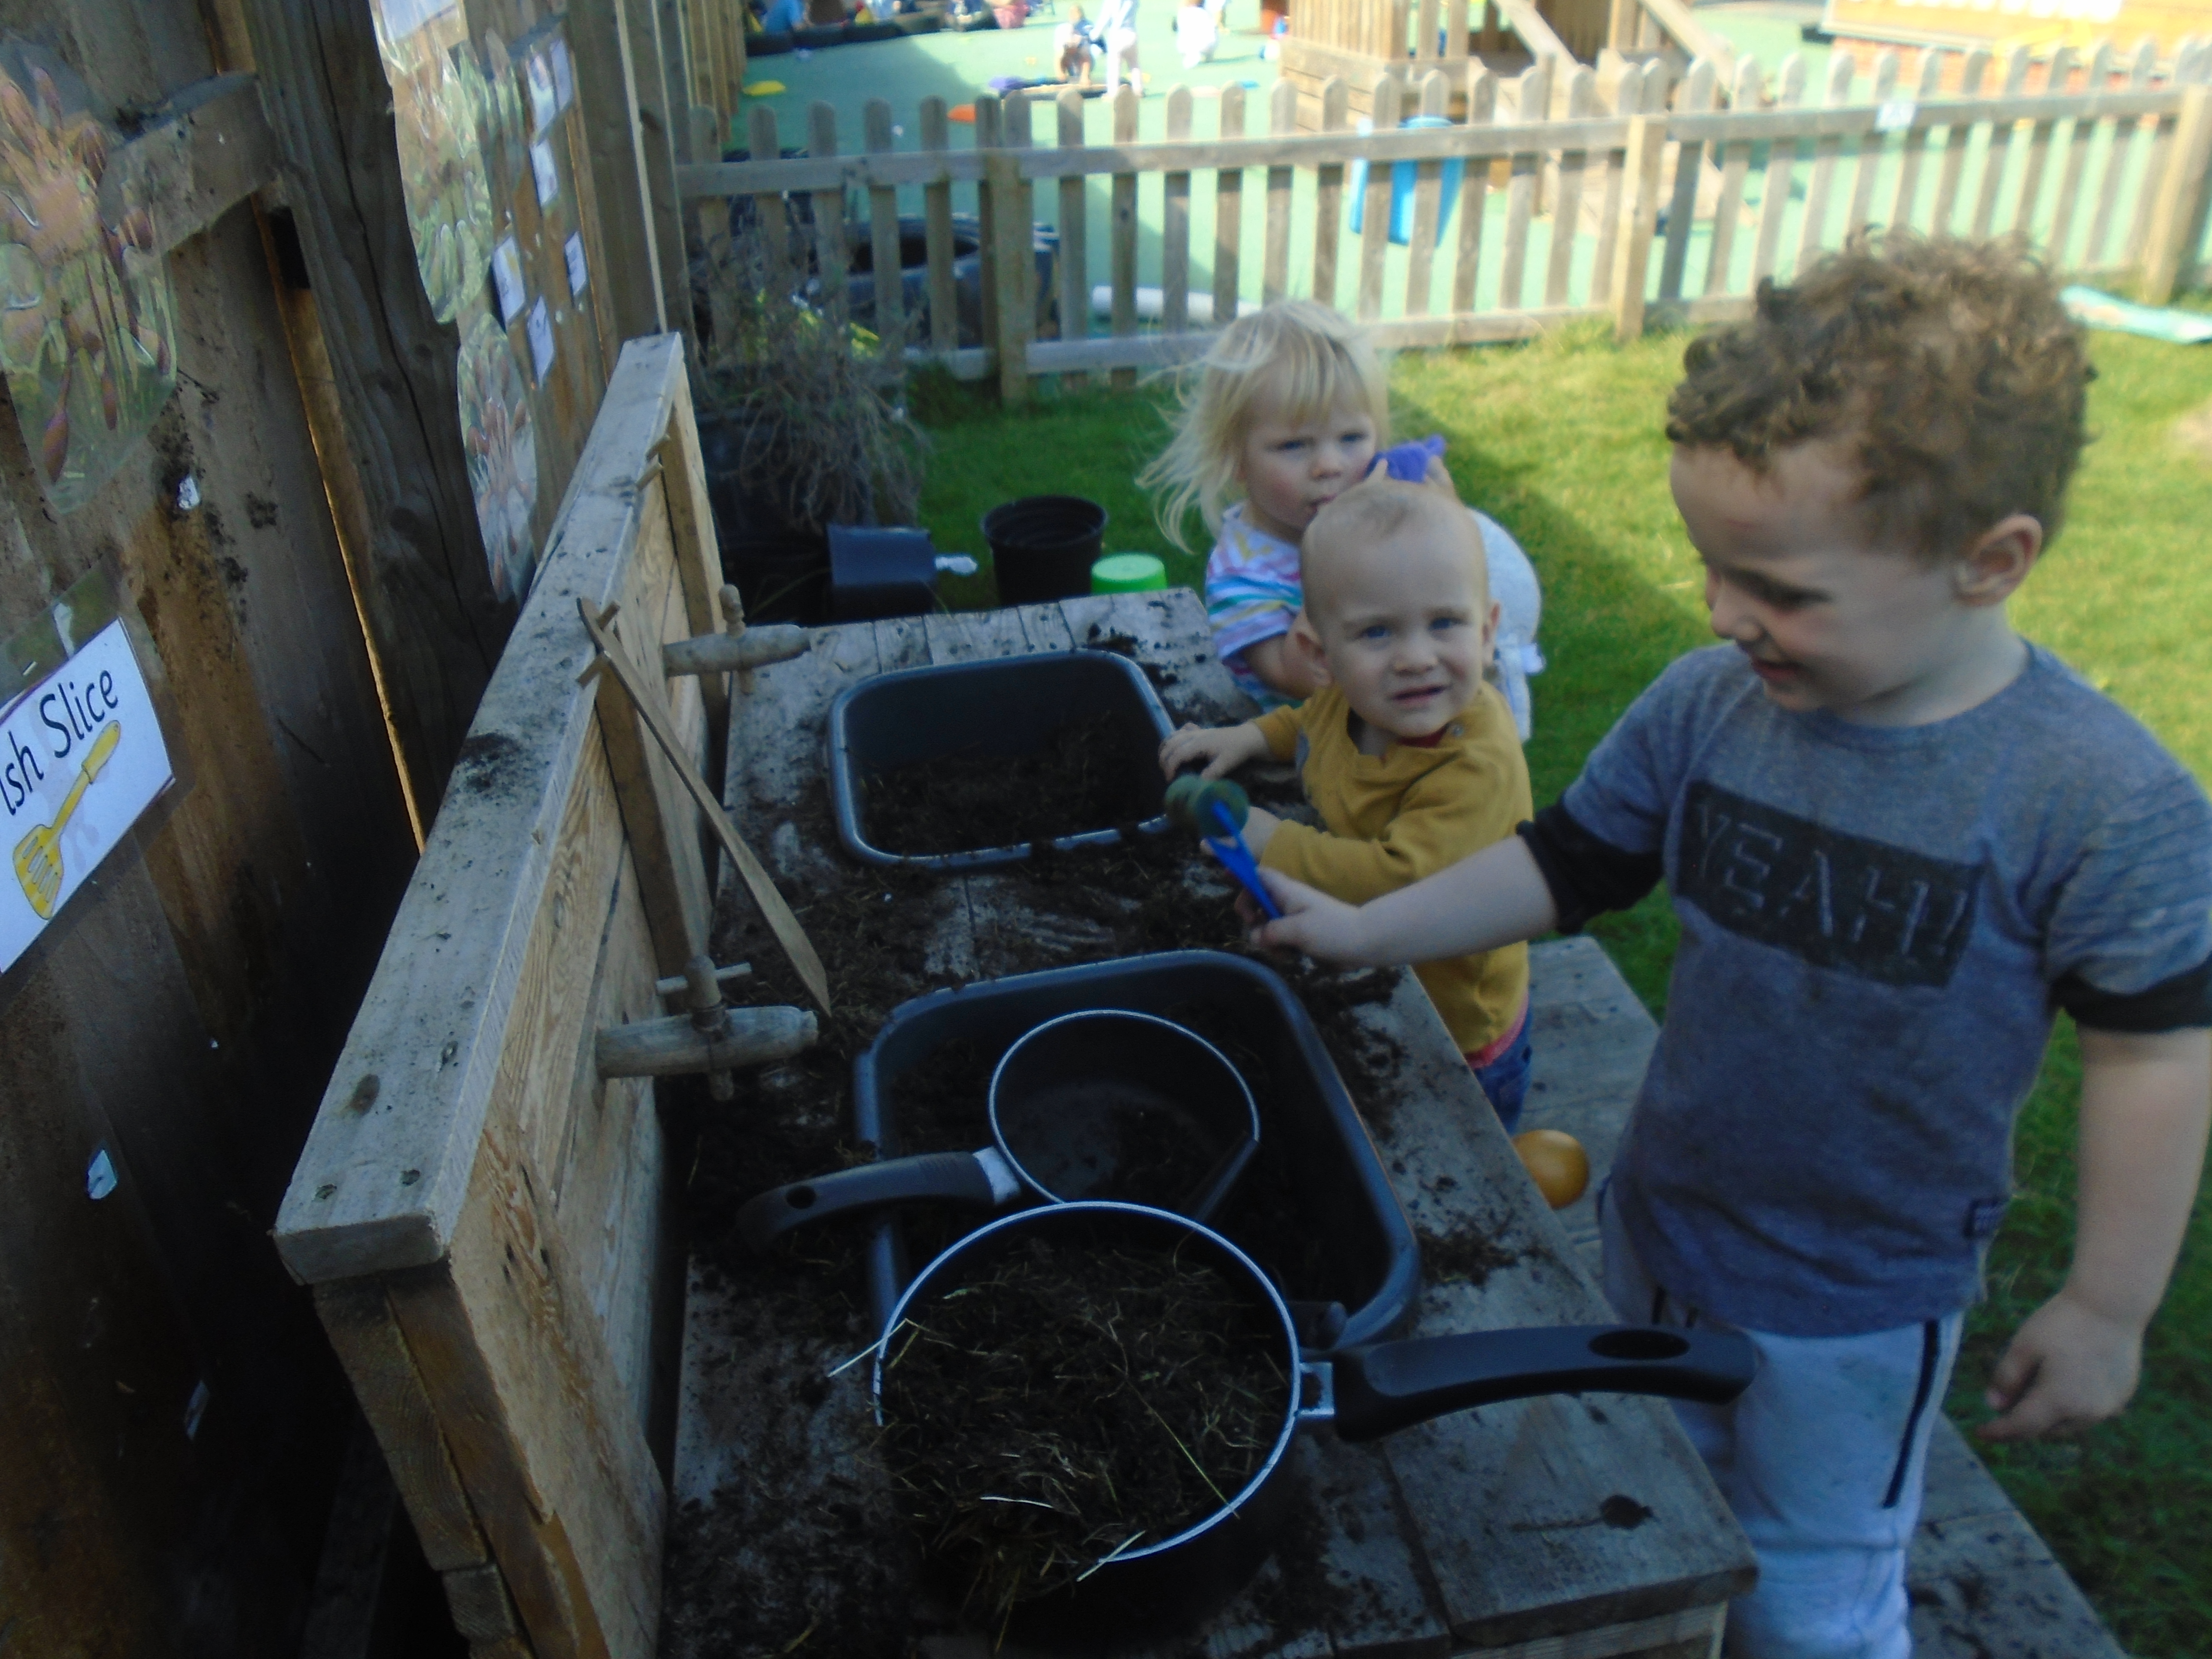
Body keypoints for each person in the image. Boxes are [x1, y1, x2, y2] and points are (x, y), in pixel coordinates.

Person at [1247, 235, 2212, 1659]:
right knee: (1657, 1513)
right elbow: (1561, 863)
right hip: (1660, 1217)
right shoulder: (1713, 704)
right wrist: (1371, 928)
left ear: (1989, 560)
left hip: (1857, 1307)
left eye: (1783, 588)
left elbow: (2153, 1052)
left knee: (1814, 1602)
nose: (1721, 612)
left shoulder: (2094, 799)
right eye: (1711, 567)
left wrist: (2106, 1300)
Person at [1159, 481, 1538, 1127]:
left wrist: (1270, 841)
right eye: (1378, 633)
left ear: (1488, 630)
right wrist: (1253, 736)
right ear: (1321, 654)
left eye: (1445, 623)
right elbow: (1312, 722)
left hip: (1453, 1029)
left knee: (1449, 1156)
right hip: (1374, 977)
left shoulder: (1475, 763)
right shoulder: (1350, 700)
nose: (1416, 659)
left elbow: (1399, 880)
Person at [1140, 299, 1543, 732]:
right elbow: (1295, 677)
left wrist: (1441, 519)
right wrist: (1338, 551)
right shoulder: (1243, 571)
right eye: (1294, 446)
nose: (1328, 465)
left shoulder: (1376, 525)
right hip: (1311, 760)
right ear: (1236, 460)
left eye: (1351, 438)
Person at [1098, 0, 1143, 96]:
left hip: (1117, 34)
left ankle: (1113, 93)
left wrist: (1095, 35)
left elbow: (1105, 18)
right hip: (1132, 32)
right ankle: (1138, 90)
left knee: (1114, 67)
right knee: (1134, 65)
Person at [1055, 4, 1100, 80]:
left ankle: (1083, 75)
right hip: (1068, 56)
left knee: (1083, 66)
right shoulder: (1063, 33)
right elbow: (1058, 59)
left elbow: (1087, 59)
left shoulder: (1082, 36)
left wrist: (1085, 77)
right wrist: (1060, 74)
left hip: (1083, 56)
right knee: (1063, 57)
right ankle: (1068, 76)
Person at [1175, 0, 1219, 66]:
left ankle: (1192, 54)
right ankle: (1208, 57)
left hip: (1185, 46)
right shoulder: (1205, 12)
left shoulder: (1183, 13)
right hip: (1205, 46)